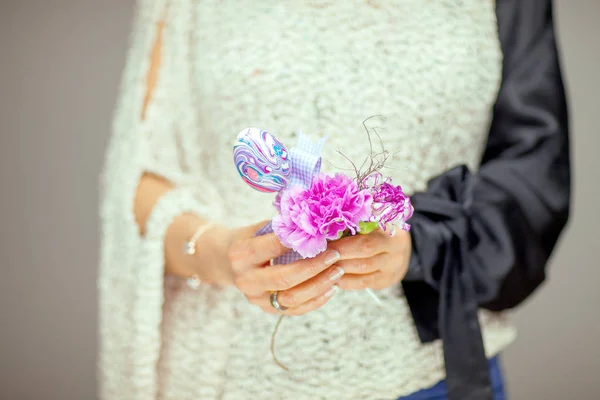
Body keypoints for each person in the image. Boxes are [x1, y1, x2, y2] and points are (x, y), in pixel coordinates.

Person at [98, 0, 570, 399]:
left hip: (429, 379)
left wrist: (418, 242)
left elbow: (533, 178)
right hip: (224, 379)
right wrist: (222, 254)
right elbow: (136, 181)